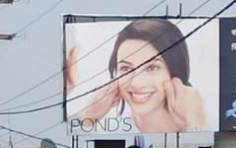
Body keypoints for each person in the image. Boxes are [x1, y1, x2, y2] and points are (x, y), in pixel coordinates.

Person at [71, 18, 206, 134]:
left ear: (176, 71)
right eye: (126, 68)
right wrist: (86, 116)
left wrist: (195, 125)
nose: (137, 83)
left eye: (152, 67)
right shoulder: (106, 129)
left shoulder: (209, 123)